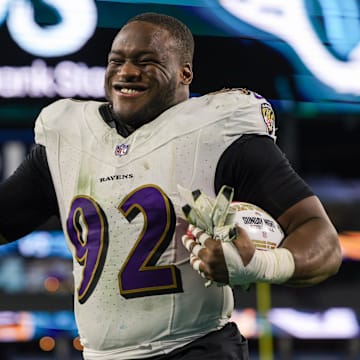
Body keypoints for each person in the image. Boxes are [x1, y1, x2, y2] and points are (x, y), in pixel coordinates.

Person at [0, 12, 342, 360]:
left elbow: (323, 241)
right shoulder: (69, 136)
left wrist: (259, 265)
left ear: (185, 73)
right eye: (116, 61)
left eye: (147, 62)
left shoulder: (218, 132)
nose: (127, 71)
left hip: (194, 349)